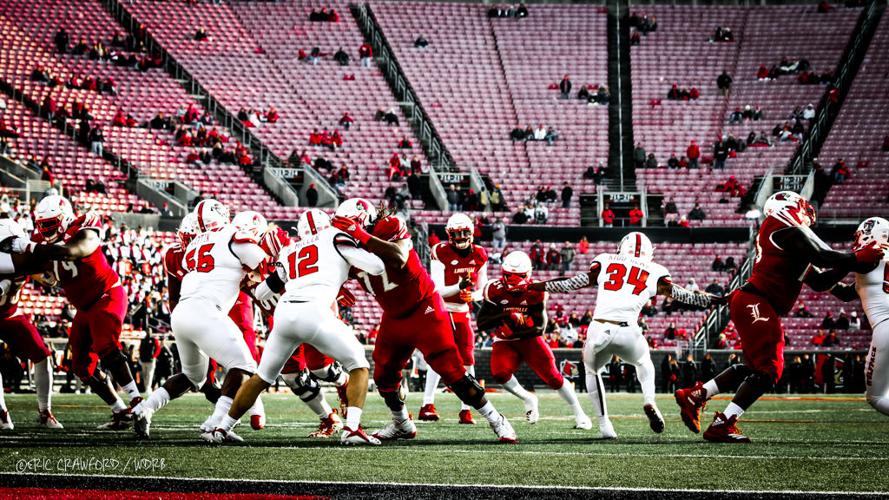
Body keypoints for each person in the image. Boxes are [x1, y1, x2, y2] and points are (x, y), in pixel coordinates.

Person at [674, 192, 883, 442]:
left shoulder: (788, 244)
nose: (806, 214)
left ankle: (696, 396)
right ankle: (723, 422)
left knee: (755, 369)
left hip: (754, 301)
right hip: (756, 300)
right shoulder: (784, 228)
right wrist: (857, 260)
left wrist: (862, 285)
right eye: (802, 207)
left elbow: (821, 282)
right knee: (770, 368)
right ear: (790, 206)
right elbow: (824, 256)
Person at [204, 200, 382, 445]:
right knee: (359, 365)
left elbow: (265, 291)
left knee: (262, 378)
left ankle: (221, 429)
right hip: (315, 311)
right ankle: (351, 429)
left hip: (285, 315)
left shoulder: (290, 250)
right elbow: (377, 265)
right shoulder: (335, 236)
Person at [333, 212, 516, 443]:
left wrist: (359, 234)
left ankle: (496, 419)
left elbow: (398, 255)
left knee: (453, 372)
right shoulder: (352, 250)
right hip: (394, 316)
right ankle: (402, 423)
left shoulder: (389, 230)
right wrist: (335, 284)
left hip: (424, 310)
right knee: (383, 376)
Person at [526, 232, 721, 438]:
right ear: (649, 252)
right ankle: (649, 400)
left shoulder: (605, 259)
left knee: (592, 371)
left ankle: (604, 425)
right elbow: (686, 296)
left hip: (599, 328)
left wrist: (536, 285)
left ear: (621, 247)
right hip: (629, 331)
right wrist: (716, 300)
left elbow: (571, 283)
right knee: (644, 362)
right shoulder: (655, 270)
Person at [132, 207, 280, 439]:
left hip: (182, 313)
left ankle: (145, 408)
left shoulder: (194, 245)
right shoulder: (233, 235)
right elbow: (266, 268)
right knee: (244, 367)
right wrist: (276, 256)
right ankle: (216, 423)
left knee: (193, 376)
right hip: (207, 310)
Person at [14, 196, 141, 429]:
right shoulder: (40, 239)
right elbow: (29, 265)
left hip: (106, 295)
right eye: (42, 225)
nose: (45, 230)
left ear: (65, 219)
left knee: (106, 345)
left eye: (51, 224)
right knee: (81, 367)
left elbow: (73, 251)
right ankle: (121, 411)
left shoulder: (84, 227)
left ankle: (138, 403)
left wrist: (31, 249)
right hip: (83, 307)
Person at [477, 251, 592, 430]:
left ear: (528, 274)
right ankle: (528, 398)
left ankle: (580, 414)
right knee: (499, 373)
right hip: (506, 341)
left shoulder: (536, 291)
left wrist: (515, 326)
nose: (514, 281)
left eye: (519, 276)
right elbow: (482, 322)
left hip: (530, 339)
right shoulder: (494, 289)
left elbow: (539, 327)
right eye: (510, 276)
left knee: (554, 377)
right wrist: (508, 315)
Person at [421, 214, 488, 423]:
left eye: (463, 232)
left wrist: (472, 296)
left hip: (461, 310)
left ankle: (466, 408)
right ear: (449, 234)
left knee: (468, 358)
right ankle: (427, 404)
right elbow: (437, 290)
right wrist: (459, 287)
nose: (460, 237)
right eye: (456, 233)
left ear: (471, 233)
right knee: (439, 356)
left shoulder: (479, 254)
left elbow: (482, 289)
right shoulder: (440, 251)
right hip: (441, 309)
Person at [818, 218, 889, 415]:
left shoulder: (871, 257)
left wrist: (811, 273)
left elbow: (829, 269)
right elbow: (847, 293)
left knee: (876, 397)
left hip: (886, 326)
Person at [0, 220, 63, 430]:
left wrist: (47, 274)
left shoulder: (20, 258)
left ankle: (45, 412)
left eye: (13, 243)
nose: (12, 247)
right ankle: (1, 412)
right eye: (7, 244)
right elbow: (25, 263)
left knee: (42, 355)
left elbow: (44, 274)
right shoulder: (14, 261)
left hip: (10, 314)